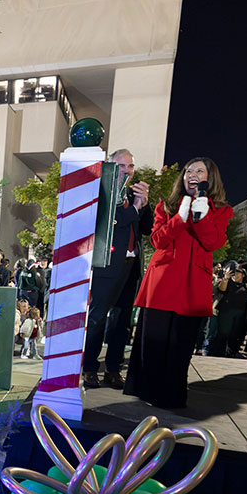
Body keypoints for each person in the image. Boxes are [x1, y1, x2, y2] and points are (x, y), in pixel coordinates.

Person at [125, 156, 231, 408]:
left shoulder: (223, 210)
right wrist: (180, 216)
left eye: (199, 171)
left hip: (193, 284)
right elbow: (157, 240)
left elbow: (213, 243)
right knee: (154, 341)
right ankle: (148, 391)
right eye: (188, 171)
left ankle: (172, 394)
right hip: (162, 282)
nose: (192, 174)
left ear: (210, 177)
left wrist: (201, 216)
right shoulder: (166, 206)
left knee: (181, 344)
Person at [83, 148, 152, 389]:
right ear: (110, 167)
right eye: (121, 166)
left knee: (122, 322)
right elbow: (114, 221)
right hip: (107, 265)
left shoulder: (135, 194)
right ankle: (90, 368)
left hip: (132, 266)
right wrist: (134, 207)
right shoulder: (103, 191)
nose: (127, 171)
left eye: (131, 166)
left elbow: (147, 228)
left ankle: (113, 370)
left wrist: (143, 204)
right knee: (98, 318)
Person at [208, 261, 247, 357]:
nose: (235, 275)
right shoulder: (228, 282)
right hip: (226, 312)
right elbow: (221, 289)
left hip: (240, 314)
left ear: (243, 275)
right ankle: (218, 351)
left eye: (238, 273)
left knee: (235, 334)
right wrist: (225, 278)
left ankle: (231, 352)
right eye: (234, 273)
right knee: (223, 333)